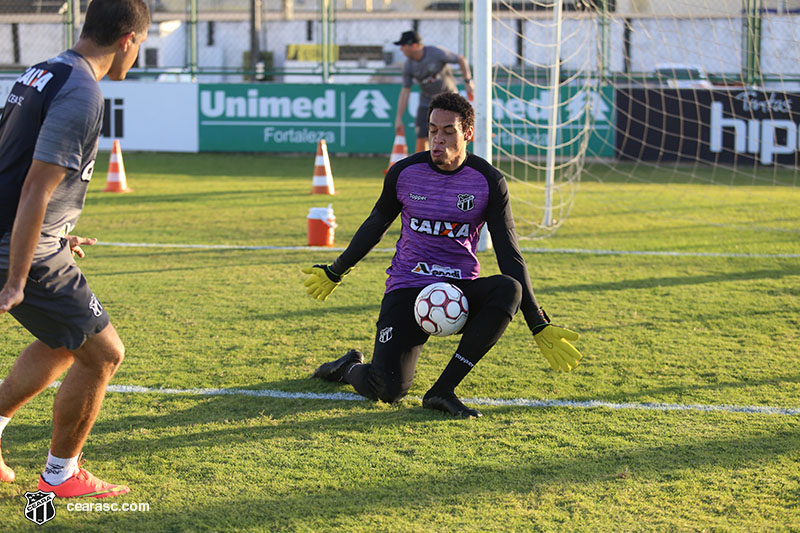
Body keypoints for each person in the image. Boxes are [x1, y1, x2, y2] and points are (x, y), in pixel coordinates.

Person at [303, 93, 582, 419]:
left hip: (459, 293)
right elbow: (376, 224)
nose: (438, 139)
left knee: (509, 288)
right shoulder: (404, 173)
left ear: (468, 134)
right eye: (433, 129)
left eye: (448, 131)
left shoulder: (488, 181)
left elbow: (509, 252)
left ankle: (442, 390)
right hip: (407, 287)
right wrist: (336, 270)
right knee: (388, 390)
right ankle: (348, 367)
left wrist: (537, 322)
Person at [0, 0, 149, 497]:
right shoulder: (83, 92)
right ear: (127, 39)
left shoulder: (43, 72)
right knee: (104, 354)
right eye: (142, 45)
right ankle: (61, 474)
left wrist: (60, 233)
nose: (138, 55)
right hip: (26, 249)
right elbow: (35, 188)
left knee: (68, 341)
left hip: (35, 239)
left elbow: (14, 161)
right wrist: (19, 275)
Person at [393, 30, 475, 153]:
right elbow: (405, 92)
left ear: (413, 46)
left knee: (452, 132)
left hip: (449, 99)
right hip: (428, 101)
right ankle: (424, 167)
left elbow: (461, 59)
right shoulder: (408, 66)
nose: (401, 50)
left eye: (403, 46)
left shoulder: (436, 53)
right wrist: (398, 118)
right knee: (422, 135)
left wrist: (468, 81)